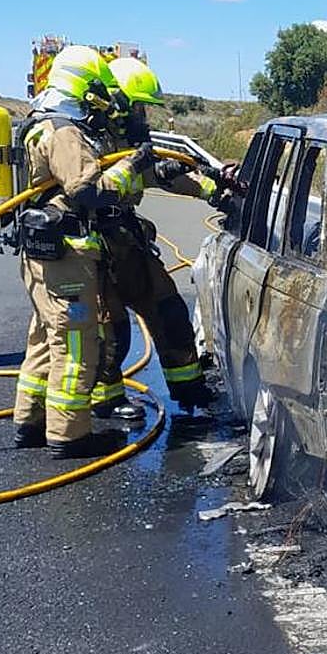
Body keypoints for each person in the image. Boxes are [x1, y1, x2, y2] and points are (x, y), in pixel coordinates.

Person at [13, 46, 156, 458]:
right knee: (76, 346)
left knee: (44, 337)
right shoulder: (65, 132)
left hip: (43, 254)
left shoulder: (41, 124)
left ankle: (30, 422)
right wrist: (132, 165)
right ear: (84, 87)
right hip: (67, 257)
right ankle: (70, 435)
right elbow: (87, 191)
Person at [90, 57, 229, 422]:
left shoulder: (132, 141)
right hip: (91, 249)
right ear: (117, 103)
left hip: (127, 239)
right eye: (138, 107)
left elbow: (166, 176)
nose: (142, 116)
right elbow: (87, 188)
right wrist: (132, 165)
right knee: (111, 331)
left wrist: (216, 190)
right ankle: (106, 397)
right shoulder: (85, 139)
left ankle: (188, 388)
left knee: (170, 311)